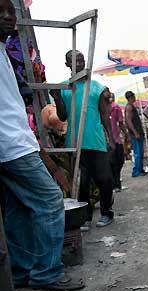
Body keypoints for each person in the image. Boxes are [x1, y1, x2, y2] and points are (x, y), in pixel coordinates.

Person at [0, 0, 83, 290]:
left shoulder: (3, 52)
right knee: (49, 201)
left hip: (14, 142)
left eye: (11, 11)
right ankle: (47, 272)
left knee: (18, 208)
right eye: (2, 12)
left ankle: (21, 271)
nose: (10, 18)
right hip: (11, 145)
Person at [50, 50, 114, 231]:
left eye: (81, 60)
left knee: (104, 178)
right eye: (75, 61)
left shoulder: (96, 87)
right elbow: (62, 117)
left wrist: (111, 137)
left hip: (95, 139)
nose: (79, 63)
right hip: (75, 142)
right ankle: (85, 217)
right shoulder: (64, 88)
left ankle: (107, 212)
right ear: (67, 64)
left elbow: (104, 115)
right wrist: (56, 98)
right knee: (82, 182)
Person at [124, 91, 146, 178]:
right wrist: (135, 132)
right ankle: (136, 171)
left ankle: (140, 169)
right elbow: (128, 121)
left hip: (137, 132)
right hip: (135, 133)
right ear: (131, 97)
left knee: (140, 152)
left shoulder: (131, 106)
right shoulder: (129, 107)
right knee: (138, 153)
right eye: (133, 96)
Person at [109, 93, 127, 191]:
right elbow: (121, 123)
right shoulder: (111, 108)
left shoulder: (116, 108)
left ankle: (116, 183)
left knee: (118, 162)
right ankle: (116, 184)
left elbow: (121, 123)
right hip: (111, 140)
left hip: (115, 139)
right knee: (115, 163)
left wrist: (126, 134)